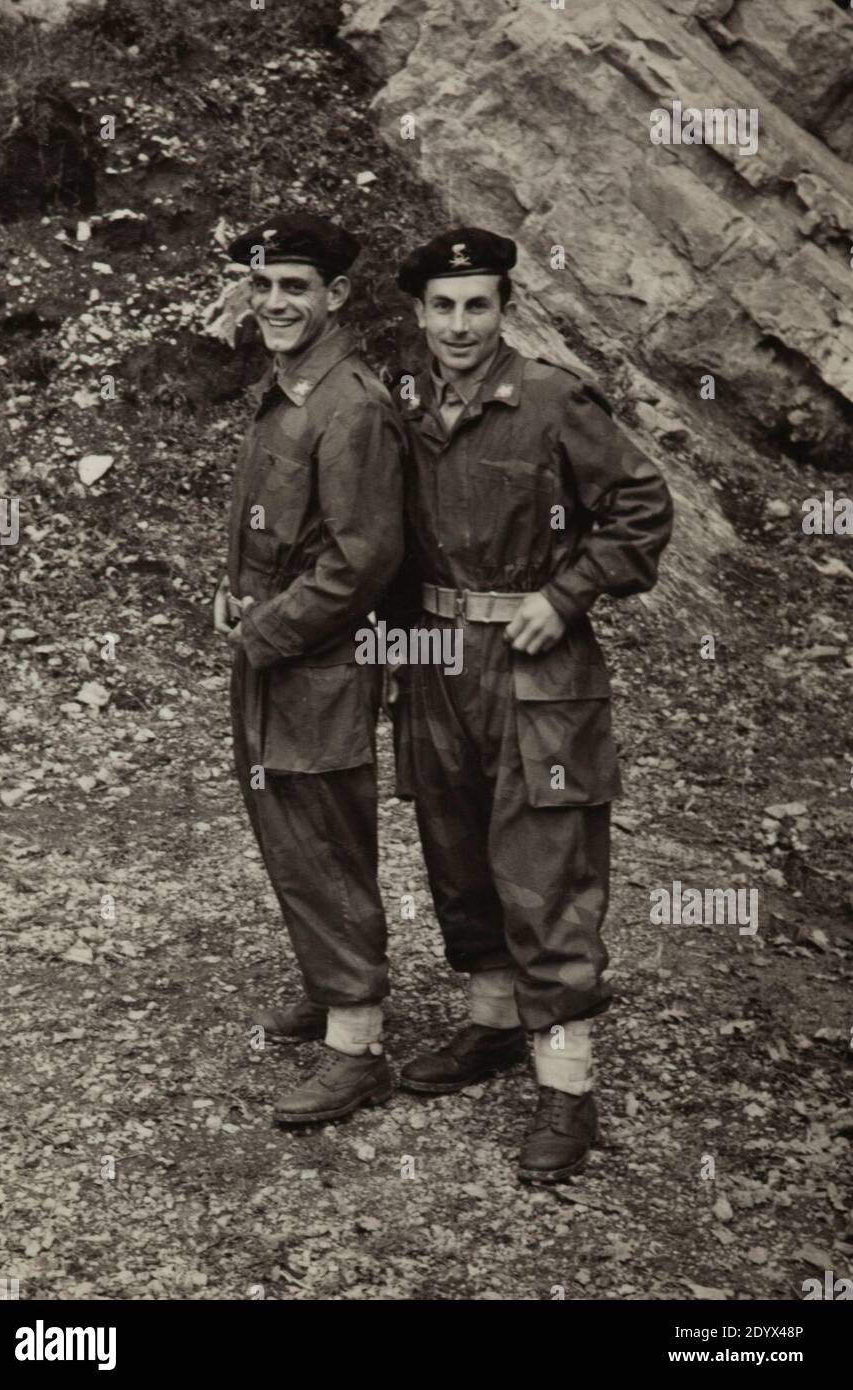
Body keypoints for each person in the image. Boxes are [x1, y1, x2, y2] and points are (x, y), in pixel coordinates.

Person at [386, 226, 673, 1181]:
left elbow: (642, 504)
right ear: (420, 315)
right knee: (456, 844)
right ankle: (494, 1025)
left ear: (506, 309)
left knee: (545, 860)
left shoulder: (551, 398)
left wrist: (567, 593)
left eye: (478, 305)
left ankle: (569, 1087)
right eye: (443, 306)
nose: (459, 324)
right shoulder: (406, 400)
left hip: (538, 666)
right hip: (435, 659)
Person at [215, 212, 403, 1125]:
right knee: (288, 828)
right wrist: (231, 589)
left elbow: (362, 560)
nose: (276, 302)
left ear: (336, 296)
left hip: (317, 663)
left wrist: (265, 631)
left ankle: (358, 1045)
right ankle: (334, 989)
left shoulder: (351, 402)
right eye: (264, 286)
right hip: (278, 650)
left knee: (324, 838)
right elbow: (276, 524)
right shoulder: (290, 383)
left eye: (296, 287)